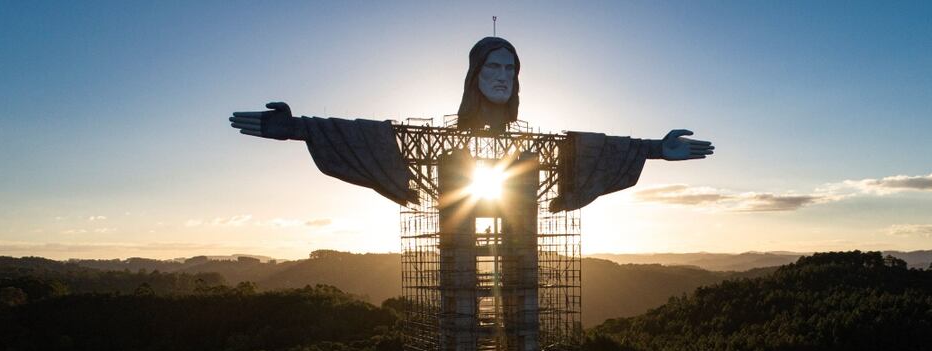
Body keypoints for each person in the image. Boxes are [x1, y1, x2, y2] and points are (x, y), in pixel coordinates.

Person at [229, 37, 713, 210]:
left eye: (510, 69)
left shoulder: (543, 145)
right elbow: (368, 135)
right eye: (492, 68)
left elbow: (593, 148)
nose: (502, 77)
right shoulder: (437, 139)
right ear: (474, 75)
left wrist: (654, 148)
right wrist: (297, 128)